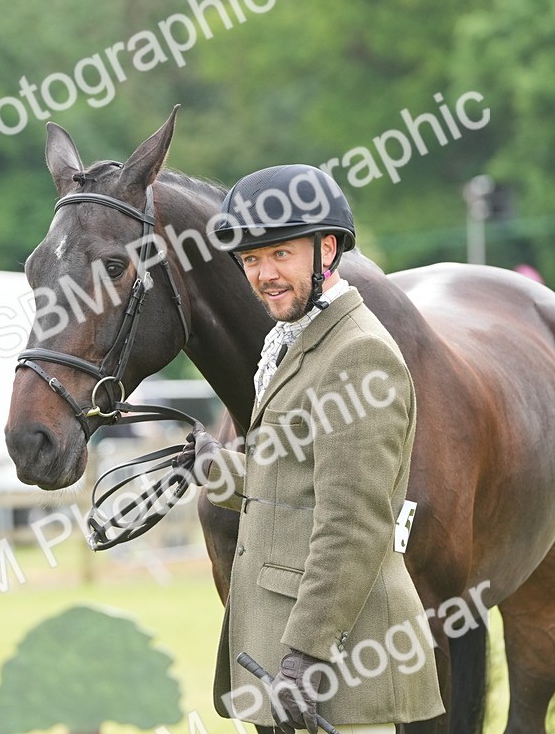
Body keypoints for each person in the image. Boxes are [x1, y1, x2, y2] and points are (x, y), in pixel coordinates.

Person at [180, 165, 444, 733]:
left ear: (327, 250)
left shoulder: (357, 355)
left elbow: (352, 523)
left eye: (279, 254)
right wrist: (218, 470)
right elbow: (296, 480)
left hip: (341, 667)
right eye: (251, 259)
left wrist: (306, 654)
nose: (263, 274)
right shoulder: (296, 344)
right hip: (291, 650)